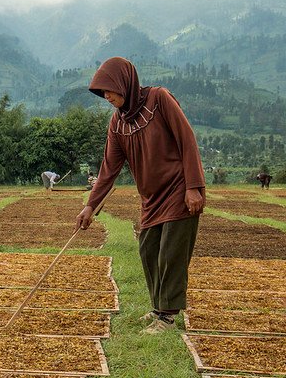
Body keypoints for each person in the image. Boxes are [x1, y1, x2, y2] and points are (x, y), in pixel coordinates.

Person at [75, 57, 205, 335]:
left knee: (171, 253)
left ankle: (167, 317)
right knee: (148, 250)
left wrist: (194, 186)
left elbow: (187, 139)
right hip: (151, 197)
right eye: (102, 93)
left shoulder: (159, 99)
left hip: (179, 189)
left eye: (108, 90)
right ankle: (159, 307)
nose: (106, 97)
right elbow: (108, 168)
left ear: (124, 83)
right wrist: (90, 207)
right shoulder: (117, 123)